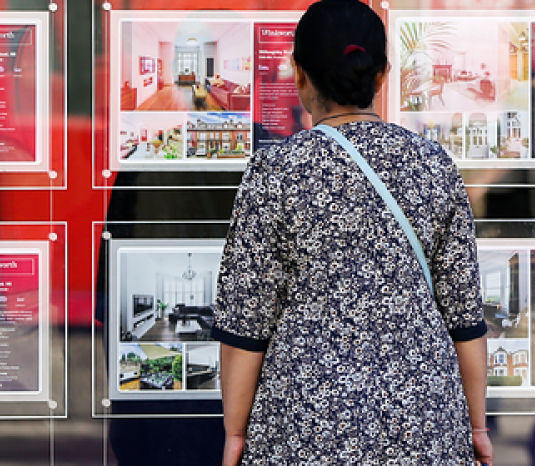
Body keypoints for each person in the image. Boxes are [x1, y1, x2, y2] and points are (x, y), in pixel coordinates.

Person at [210, 1, 494, 464]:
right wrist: (477, 425)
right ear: (381, 76)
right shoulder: (434, 166)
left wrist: (236, 433)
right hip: (424, 423)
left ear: (300, 74)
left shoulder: (275, 172)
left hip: (300, 424)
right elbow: (464, 316)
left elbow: (246, 323)